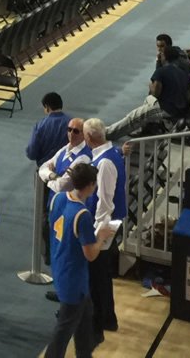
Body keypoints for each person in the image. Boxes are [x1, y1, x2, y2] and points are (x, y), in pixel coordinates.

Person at [44, 161, 107, 358]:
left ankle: (84, 353)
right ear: (89, 185)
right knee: (63, 330)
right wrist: (102, 237)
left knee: (85, 319)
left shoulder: (58, 199)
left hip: (60, 266)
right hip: (74, 277)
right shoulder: (83, 215)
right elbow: (90, 254)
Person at [81, 118, 126, 336]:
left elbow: (104, 201)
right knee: (100, 274)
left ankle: (100, 318)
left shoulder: (105, 163)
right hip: (107, 222)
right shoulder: (112, 154)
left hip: (104, 224)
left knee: (97, 273)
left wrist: (97, 234)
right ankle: (105, 317)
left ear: (89, 138)